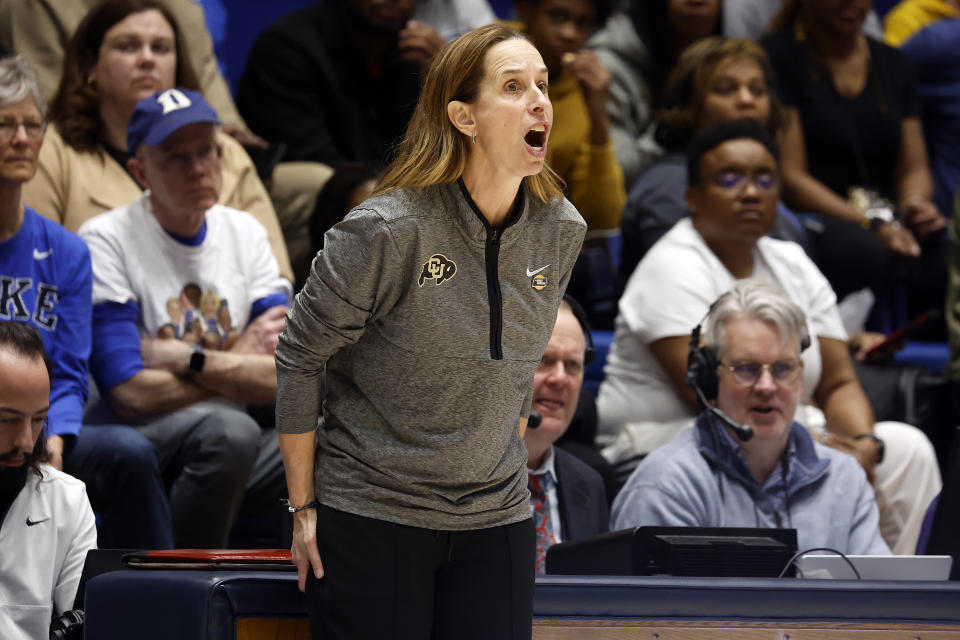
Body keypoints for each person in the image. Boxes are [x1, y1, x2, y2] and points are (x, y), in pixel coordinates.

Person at [275, 23, 586, 639]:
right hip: (374, 509)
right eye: (514, 87)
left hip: (498, 514)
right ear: (463, 117)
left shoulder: (561, 229)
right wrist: (304, 508)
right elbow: (299, 356)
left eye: (544, 86)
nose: (539, 102)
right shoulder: (387, 231)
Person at [598, 120, 941, 554]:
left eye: (764, 179)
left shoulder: (792, 260)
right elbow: (720, 397)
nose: (750, 191)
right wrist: (821, 446)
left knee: (906, 449)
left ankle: (892, 604)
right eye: (730, 179)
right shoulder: (671, 264)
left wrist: (864, 447)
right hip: (671, 436)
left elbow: (837, 380)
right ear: (692, 197)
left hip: (783, 433)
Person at [79, 88, 291, 548]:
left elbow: (287, 375)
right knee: (231, 432)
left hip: (230, 446)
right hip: (138, 438)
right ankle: (178, 590)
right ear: (141, 172)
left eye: (207, 152)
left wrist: (185, 358)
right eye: (176, 158)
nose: (198, 169)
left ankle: (301, 607)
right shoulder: (107, 239)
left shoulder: (246, 233)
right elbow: (128, 393)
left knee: (332, 441)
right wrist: (235, 358)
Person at [0, 54, 171, 549]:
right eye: (5, 124)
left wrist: (53, 437)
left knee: (127, 452)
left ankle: (156, 603)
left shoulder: (67, 251)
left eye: (32, 124)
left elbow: (71, 372)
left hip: (39, 429)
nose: (21, 138)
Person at [18, 0, 294, 283]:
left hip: (233, 322)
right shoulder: (49, 152)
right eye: (127, 46)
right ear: (90, 64)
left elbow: (276, 278)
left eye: (160, 48)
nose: (147, 59)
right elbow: (32, 276)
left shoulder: (225, 150)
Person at [611, 280, 891, 556]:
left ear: (800, 376)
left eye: (783, 368)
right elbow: (661, 602)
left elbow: (877, 598)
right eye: (746, 368)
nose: (766, 386)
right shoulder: (666, 486)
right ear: (711, 378)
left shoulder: (844, 480)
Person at [762, 0, 947, 324]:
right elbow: (792, 178)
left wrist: (917, 205)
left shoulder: (895, 63)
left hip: (889, 212)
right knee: (863, 250)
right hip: (817, 213)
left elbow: (913, 167)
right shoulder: (778, 57)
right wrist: (872, 224)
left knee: (945, 251)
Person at [617, 36, 801, 291]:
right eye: (727, 90)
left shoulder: (761, 176)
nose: (747, 101)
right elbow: (684, 287)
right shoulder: (669, 187)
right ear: (690, 106)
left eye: (758, 90)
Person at [237, 0, 438, 171]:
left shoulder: (417, 56)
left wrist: (445, 88)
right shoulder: (286, 50)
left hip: (393, 202)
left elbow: (432, 163)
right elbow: (318, 168)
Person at [0, 322, 97, 640]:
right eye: (7, 420)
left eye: (38, 419)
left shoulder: (68, 501)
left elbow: (84, 625)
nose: (27, 441)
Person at [514, 0, 624, 231]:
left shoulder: (583, 93)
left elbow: (603, 220)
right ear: (526, 11)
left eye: (583, 23)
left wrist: (598, 116)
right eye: (557, 17)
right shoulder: (482, 60)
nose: (569, 34)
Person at [589, 0, 721, 188]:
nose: (696, 1)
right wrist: (675, 123)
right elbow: (618, 170)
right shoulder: (608, 66)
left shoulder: (738, 62)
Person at [525, 296, 609, 574]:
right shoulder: (461, 477)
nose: (560, 378)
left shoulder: (588, 483)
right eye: (543, 360)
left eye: (573, 365)